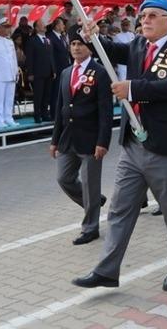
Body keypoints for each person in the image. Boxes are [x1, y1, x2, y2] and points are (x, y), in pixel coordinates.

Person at [72, 0, 167, 292]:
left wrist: (133, 89)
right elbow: (111, 50)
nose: (146, 21)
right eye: (143, 16)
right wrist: (91, 36)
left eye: (153, 16)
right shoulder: (138, 45)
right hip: (134, 145)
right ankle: (107, 270)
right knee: (119, 209)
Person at [50, 32, 112, 245]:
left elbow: (106, 111)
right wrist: (54, 139)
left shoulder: (100, 73)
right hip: (68, 137)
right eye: (73, 44)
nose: (76, 48)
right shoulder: (66, 73)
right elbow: (60, 108)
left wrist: (103, 141)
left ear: (90, 48)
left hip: (90, 138)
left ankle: (90, 228)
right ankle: (94, 201)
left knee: (89, 183)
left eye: (81, 44)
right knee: (64, 178)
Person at [25, 20, 55, 123]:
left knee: (47, 95)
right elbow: (30, 58)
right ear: (37, 28)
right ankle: (37, 115)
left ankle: (44, 114)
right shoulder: (32, 40)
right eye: (42, 25)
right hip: (38, 72)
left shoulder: (48, 39)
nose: (44, 26)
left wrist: (53, 69)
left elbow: (51, 57)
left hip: (48, 71)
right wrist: (30, 73)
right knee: (38, 95)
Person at [46, 18, 72, 118]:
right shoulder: (51, 37)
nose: (63, 26)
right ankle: (54, 113)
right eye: (62, 24)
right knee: (56, 92)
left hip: (66, 68)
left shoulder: (62, 37)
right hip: (57, 69)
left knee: (63, 92)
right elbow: (51, 55)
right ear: (56, 26)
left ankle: (62, 111)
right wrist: (53, 70)